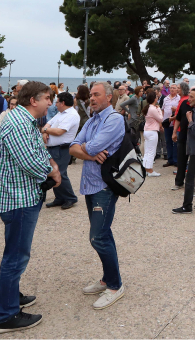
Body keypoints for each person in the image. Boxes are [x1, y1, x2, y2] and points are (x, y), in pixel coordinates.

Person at [0, 81, 60, 333]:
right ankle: (7, 316)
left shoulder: (23, 120)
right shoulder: (19, 122)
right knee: (16, 257)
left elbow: (38, 150)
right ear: (34, 100)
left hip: (20, 196)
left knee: (14, 253)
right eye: (47, 99)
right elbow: (30, 161)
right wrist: (53, 173)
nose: (50, 104)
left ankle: (6, 298)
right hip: (18, 199)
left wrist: (51, 164)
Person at [68, 81, 127, 310]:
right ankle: (107, 278)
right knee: (103, 234)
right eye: (90, 95)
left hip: (104, 186)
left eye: (96, 95)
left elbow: (89, 147)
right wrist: (91, 155)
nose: (91, 98)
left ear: (108, 98)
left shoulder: (114, 119)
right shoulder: (92, 119)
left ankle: (115, 285)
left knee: (98, 237)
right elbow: (73, 146)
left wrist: (87, 150)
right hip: (89, 185)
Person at [42, 91, 80, 208]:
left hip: (62, 148)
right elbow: (48, 124)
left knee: (60, 173)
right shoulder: (60, 114)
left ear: (62, 103)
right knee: (53, 173)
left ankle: (70, 197)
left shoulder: (72, 115)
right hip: (53, 148)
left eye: (57, 102)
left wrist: (45, 131)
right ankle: (60, 197)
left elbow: (59, 131)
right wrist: (45, 130)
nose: (55, 105)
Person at [141, 89, 163, 177]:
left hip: (147, 131)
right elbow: (160, 118)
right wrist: (159, 110)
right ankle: (149, 170)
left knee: (147, 151)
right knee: (151, 152)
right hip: (152, 132)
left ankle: (146, 168)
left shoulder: (148, 108)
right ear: (155, 99)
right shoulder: (153, 108)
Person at [161, 83, 181, 167]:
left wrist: (176, 109)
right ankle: (170, 159)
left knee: (175, 142)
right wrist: (162, 121)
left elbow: (181, 110)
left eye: (174, 88)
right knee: (168, 142)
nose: (172, 89)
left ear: (177, 89)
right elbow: (162, 110)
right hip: (167, 124)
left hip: (175, 124)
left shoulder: (179, 99)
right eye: (171, 88)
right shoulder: (165, 99)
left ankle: (176, 160)